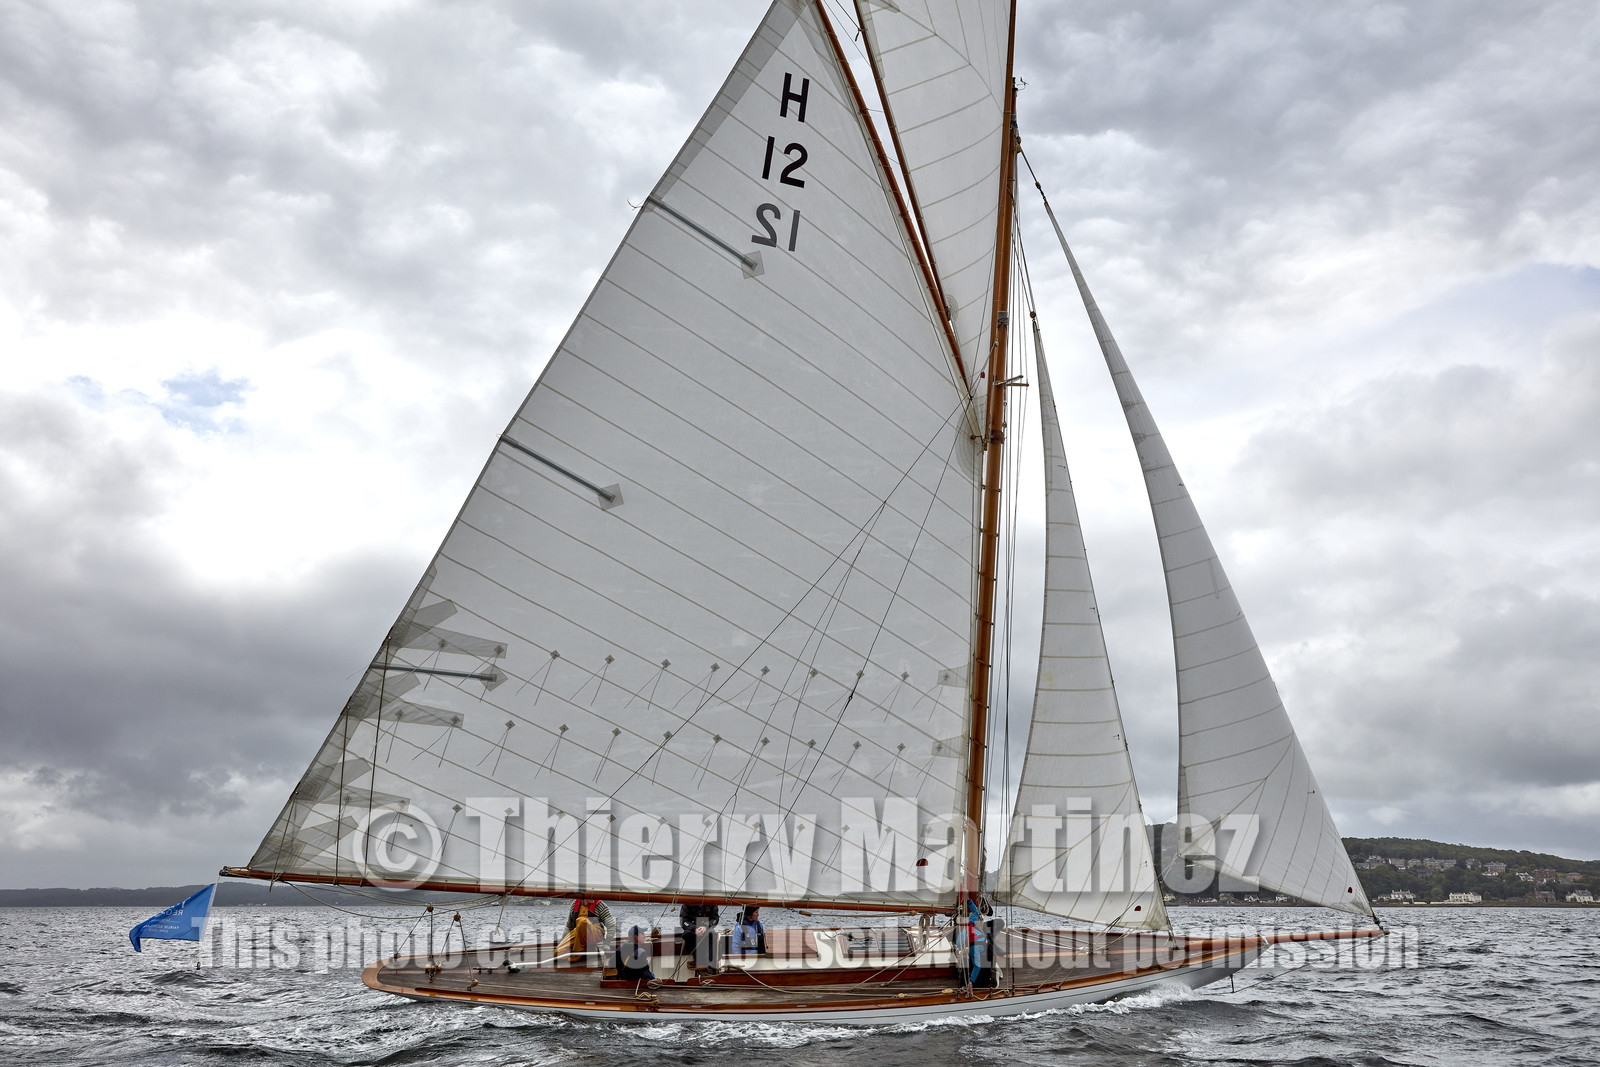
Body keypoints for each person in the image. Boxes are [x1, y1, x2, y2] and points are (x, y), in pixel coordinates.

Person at [678, 902, 720, 972]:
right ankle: (697, 959)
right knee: (687, 934)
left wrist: (706, 926)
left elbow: (715, 919)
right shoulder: (687, 904)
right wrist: (694, 929)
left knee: (712, 934)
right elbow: (684, 921)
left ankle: (711, 965)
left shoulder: (711, 903)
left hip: (707, 928)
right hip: (692, 929)